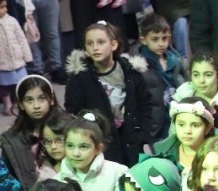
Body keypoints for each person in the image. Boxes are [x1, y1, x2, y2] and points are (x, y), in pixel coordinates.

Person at [64, 22, 153, 167]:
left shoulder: (130, 71)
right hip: (101, 147)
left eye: (100, 42)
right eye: (90, 43)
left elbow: (145, 105)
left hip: (132, 143)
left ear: (113, 45)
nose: (95, 47)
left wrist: (143, 135)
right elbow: (74, 112)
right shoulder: (79, 79)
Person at [0, 75, 62, 191]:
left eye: (42, 98)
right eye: (29, 100)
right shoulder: (12, 140)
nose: (36, 106)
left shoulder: (67, 128)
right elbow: (8, 178)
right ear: (21, 104)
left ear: (51, 99)